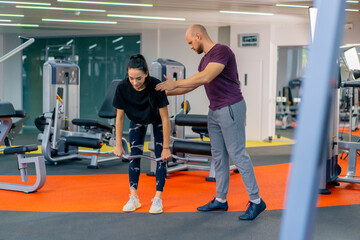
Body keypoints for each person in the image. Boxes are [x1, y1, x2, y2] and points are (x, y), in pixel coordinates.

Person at [155, 24, 266, 220]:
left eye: (190, 42)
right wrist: (163, 92)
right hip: (214, 110)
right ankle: (221, 200)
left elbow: (206, 77)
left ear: (198, 36)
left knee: (237, 154)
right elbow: (192, 85)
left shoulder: (221, 51)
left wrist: (175, 83)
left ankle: (257, 201)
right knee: (218, 156)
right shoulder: (204, 60)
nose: (190, 46)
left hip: (230, 107)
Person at [113, 54, 171, 214]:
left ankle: (158, 199)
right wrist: (118, 144)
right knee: (134, 155)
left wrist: (166, 147)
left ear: (146, 73)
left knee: (161, 157)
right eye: (131, 78)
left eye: (138, 78)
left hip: (157, 119)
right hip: (136, 118)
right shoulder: (122, 87)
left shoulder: (156, 87)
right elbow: (119, 117)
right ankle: (134, 198)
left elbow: (166, 119)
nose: (134, 82)